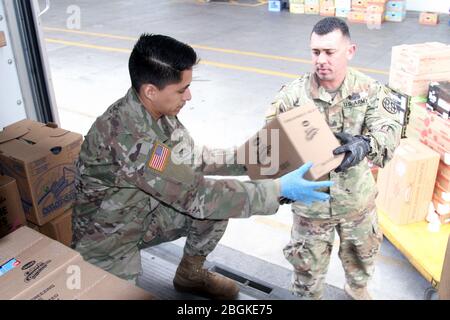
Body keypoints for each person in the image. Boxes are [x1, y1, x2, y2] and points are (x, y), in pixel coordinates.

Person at [72, 33, 333, 300]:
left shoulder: (157, 113)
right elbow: (199, 196)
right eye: (181, 89)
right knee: (213, 203)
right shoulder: (128, 137)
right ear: (150, 91)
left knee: (217, 210)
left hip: (145, 211)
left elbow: (194, 159)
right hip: (107, 236)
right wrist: (277, 189)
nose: (189, 96)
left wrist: (261, 157)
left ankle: (189, 275)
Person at [265, 17, 402, 300]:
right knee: (306, 271)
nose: (321, 60)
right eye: (315, 52)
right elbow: (269, 142)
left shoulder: (370, 91)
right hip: (310, 203)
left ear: (350, 51)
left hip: (356, 202)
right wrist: (282, 178)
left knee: (362, 259)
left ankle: (356, 290)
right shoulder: (292, 95)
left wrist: (364, 145)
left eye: (330, 52)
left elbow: (388, 132)